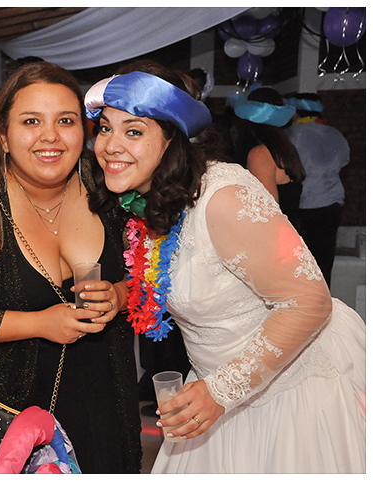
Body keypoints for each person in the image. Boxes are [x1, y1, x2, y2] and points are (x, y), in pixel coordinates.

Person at [85, 60, 365, 473]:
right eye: (106, 128)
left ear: (173, 139)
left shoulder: (224, 196)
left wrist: (221, 391)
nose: (109, 145)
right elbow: (174, 273)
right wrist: (121, 294)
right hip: (212, 393)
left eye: (134, 131)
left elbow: (310, 301)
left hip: (288, 395)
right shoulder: (152, 199)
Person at [0, 61, 142, 474]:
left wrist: (119, 295)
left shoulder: (106, 187)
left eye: (65, 121)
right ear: (3, 135)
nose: (50, 136)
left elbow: (153, 270)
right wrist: (40, 323)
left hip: (98, 402)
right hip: (0, 422)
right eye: (31, 121)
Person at [284, 93, 349, 286]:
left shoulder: (291, 135)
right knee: (323, 264)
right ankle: (323, 301)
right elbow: (344, 161)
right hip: (331, 205)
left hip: (303, 206)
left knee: (299, 265)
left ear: (295, 112)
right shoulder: (335, 134)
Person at [230, 87, 306, 227]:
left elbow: (267, 213)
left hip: (273, 235)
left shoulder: (260, 154)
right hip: (288, 231)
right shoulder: (284, 148)